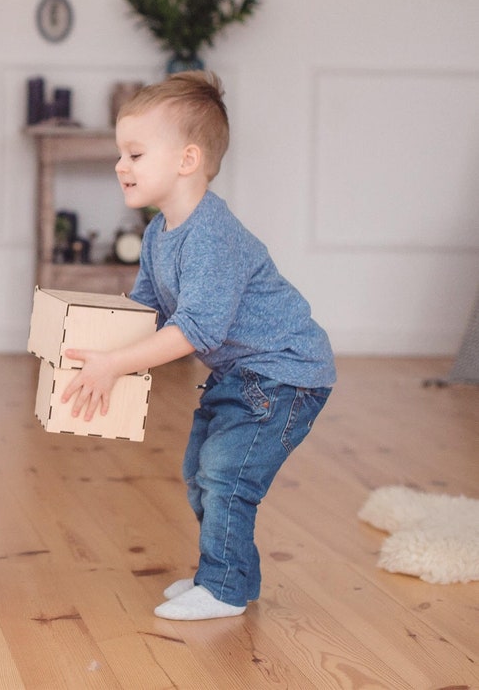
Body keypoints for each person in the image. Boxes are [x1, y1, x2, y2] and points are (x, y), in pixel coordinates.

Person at [60, 72, 335, 621]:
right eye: (121, 153)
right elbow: (149, 312)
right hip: (241, 375)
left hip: (283, 374)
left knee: (227, 474)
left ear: (186, 160)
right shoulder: (161, 232)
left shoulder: (210, 234)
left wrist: (116, 364)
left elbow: (196, 330)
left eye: (135, 153)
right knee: (199, 471)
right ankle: (230, 573)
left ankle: (224, 589)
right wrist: (91, 341)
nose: (121, 165)